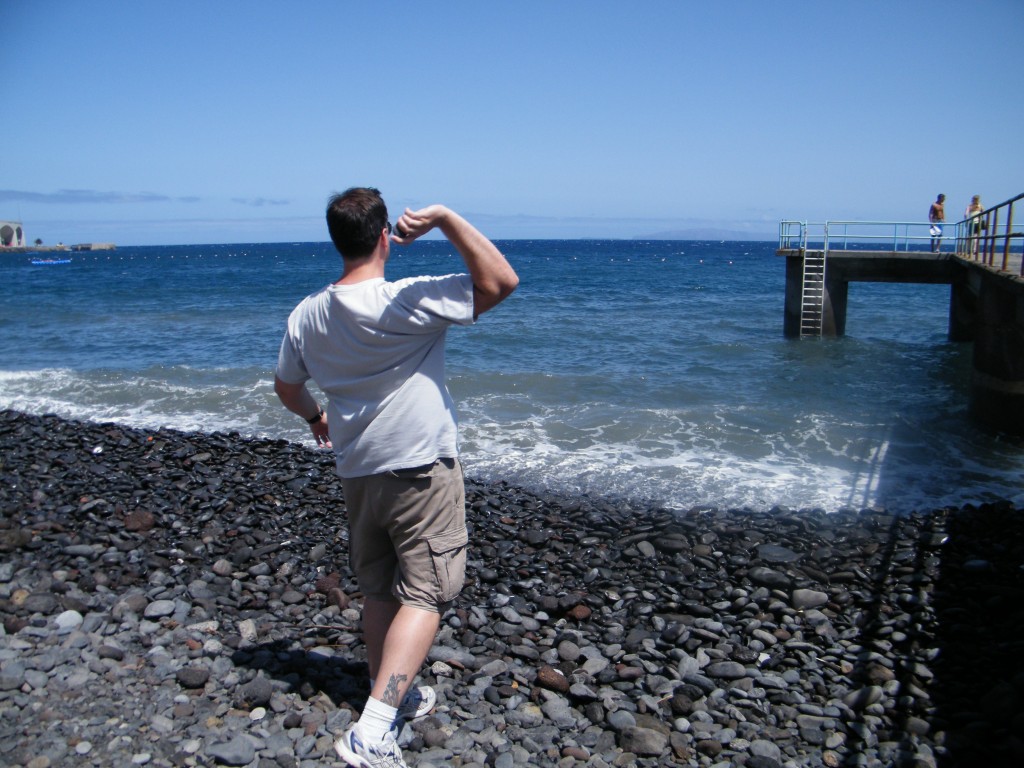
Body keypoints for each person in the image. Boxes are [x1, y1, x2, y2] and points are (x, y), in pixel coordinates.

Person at [274, 187, 518, 768]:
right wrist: (447, 218)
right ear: (386, 236)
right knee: (428, 592)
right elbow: (500, 282)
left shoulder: (307, 314)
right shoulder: (406, 300)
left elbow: (287, 387)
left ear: (337, 241)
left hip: (358, 471)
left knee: (381, 590)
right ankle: (372, 731)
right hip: (419, 469)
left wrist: (316, 417)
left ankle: (393, 695)